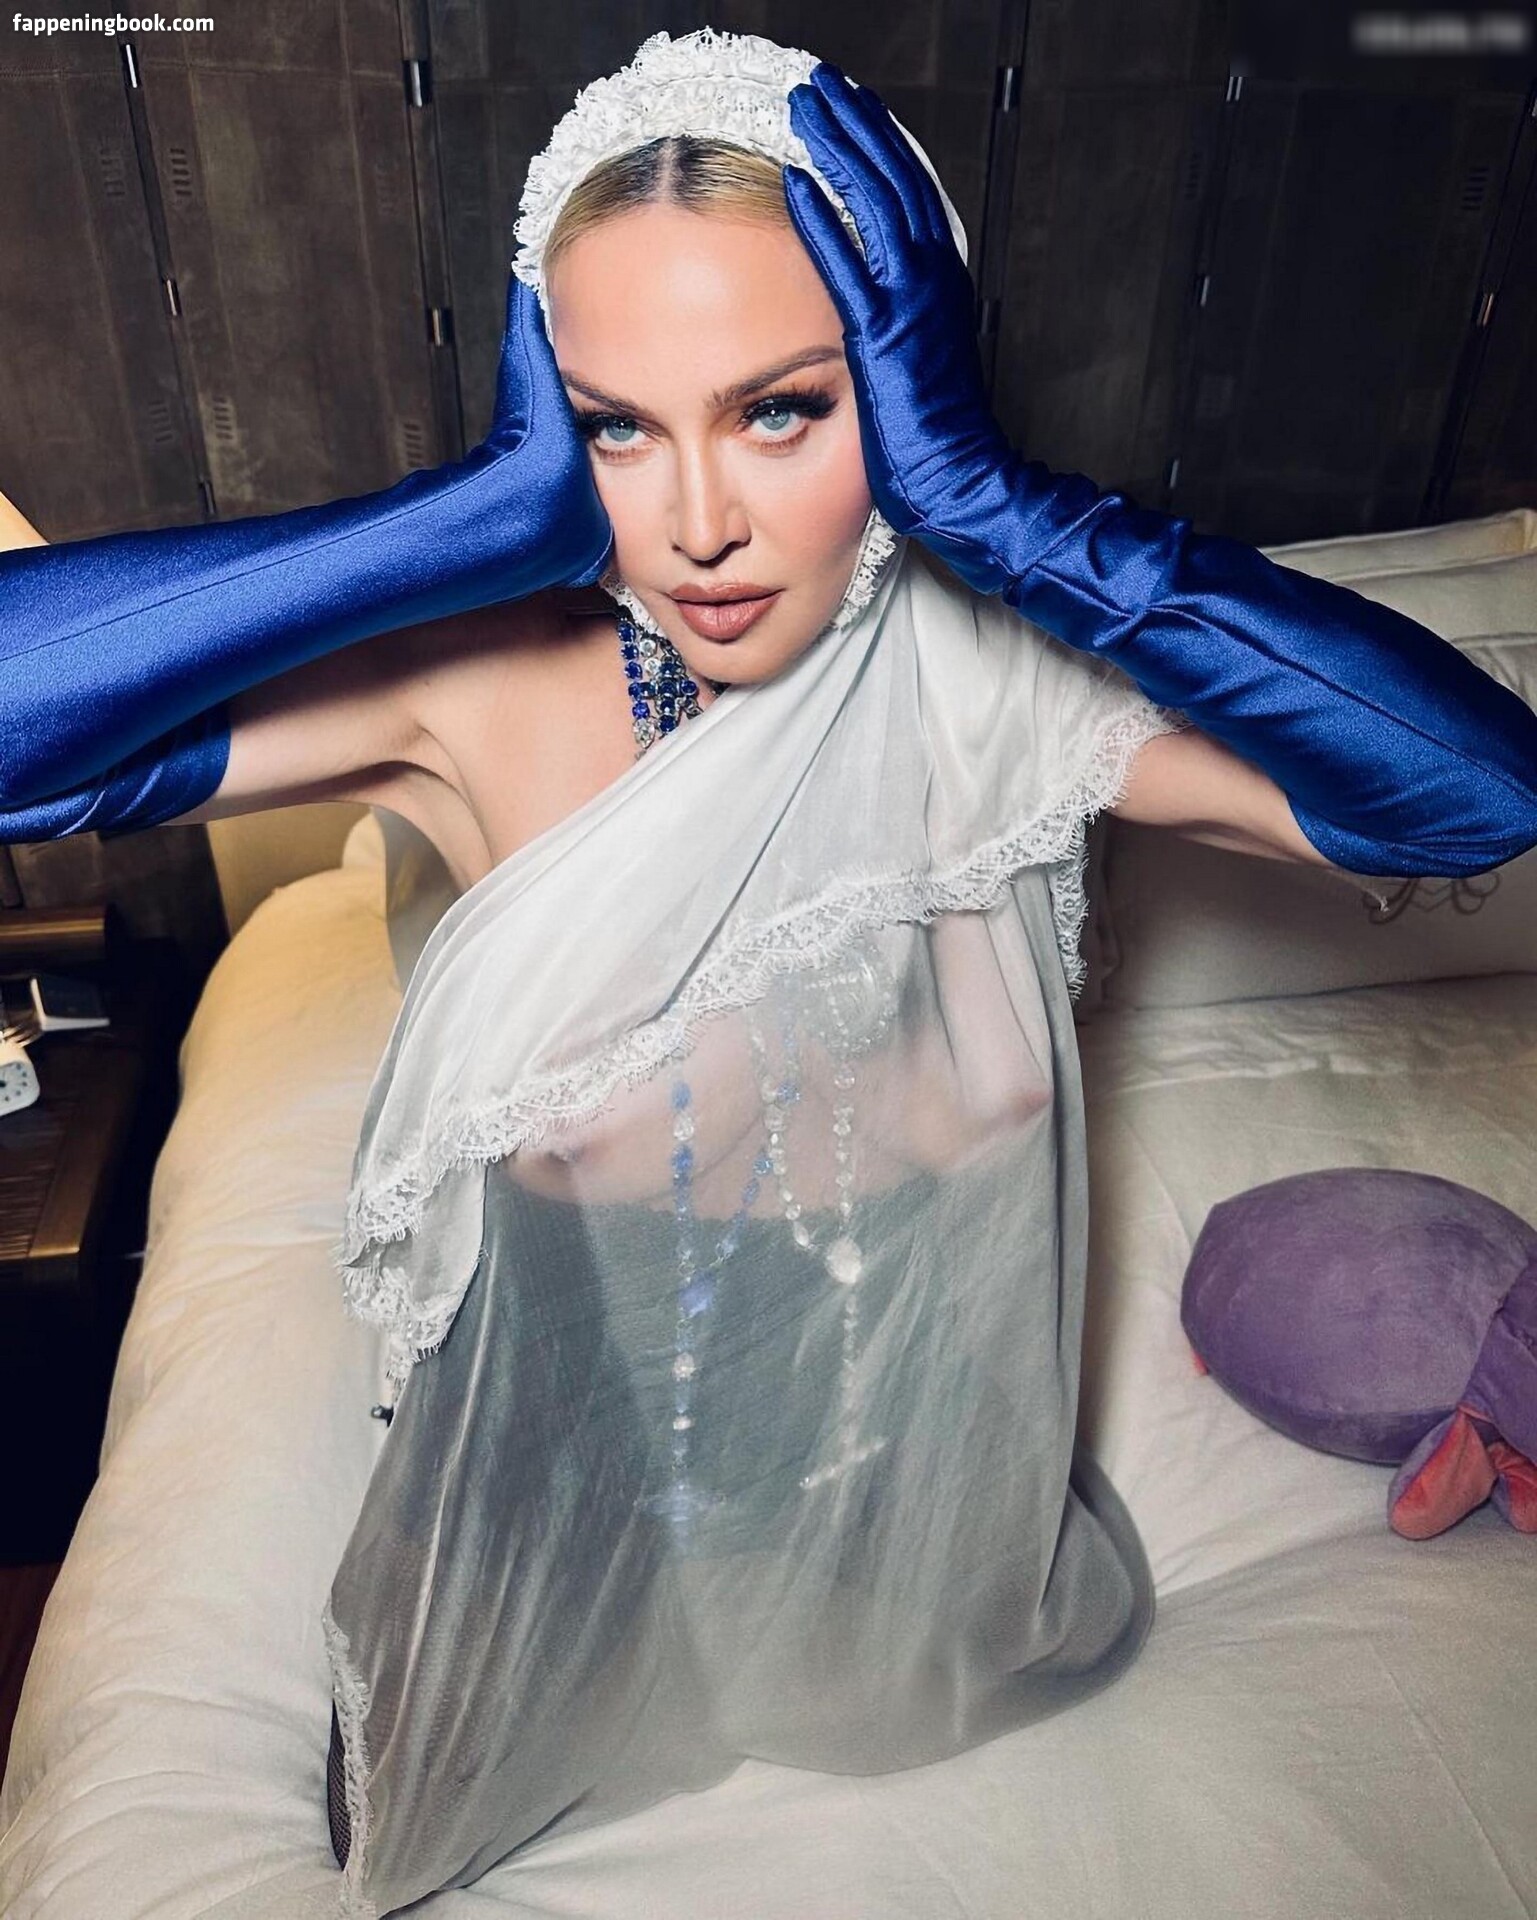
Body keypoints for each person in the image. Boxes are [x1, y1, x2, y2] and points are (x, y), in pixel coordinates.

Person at [1, 28, 1533, 1920]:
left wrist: (1005, 515)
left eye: (783, 410)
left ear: (904, 387)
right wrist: (469, 520)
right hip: (575, 1529)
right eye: (614, 427)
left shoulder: (1001, 691)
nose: (698, 522)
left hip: (924, 1524)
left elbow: (1472, 796)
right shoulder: (481, 692)